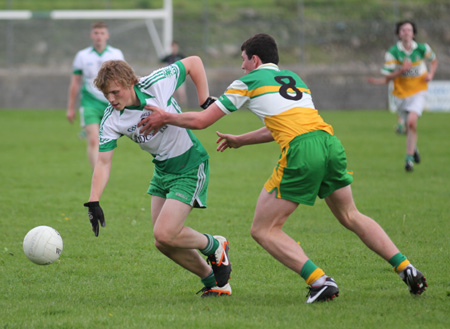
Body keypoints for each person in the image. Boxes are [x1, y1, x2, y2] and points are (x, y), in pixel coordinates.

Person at [138, 33, 428, 303]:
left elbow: (202, 121)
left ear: (254, 60)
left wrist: (165, 116)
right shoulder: (293, 78)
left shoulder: (248, 81)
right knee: (351, 215)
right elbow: (282, 124)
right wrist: (240, 140)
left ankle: (319, 281)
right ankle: (406, 268)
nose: (241, 67)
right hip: (329, 142)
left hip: (303, 151)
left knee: (263, 229)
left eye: (243, 60)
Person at [83, 58, 231, 298]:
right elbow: (103, 161)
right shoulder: (111, 119)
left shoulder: (155, 84)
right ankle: (214, 281)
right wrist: (94, 200)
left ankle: (216, 246)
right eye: (106, 94)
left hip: (189, 165)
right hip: (162, 171)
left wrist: (204, 99)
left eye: (114, 92)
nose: (110, 99)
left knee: (165, 233)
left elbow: (194, 62)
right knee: (163, 242)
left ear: (130, 83)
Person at [367, 20, 438, 172]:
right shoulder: (393, 52)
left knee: (412, 123)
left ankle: (408, 161)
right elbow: (388, 77)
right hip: (400, 94)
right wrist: (401, 70)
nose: (406, 32)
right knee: (408, 127)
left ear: (413, 33)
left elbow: (433, 60)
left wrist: (431, 74)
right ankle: (414, 150)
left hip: (419, 90)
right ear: (399, 34)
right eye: (403, 30)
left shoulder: (422, 48)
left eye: (409, 30)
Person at [67, 21, 125, 170]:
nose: (99, 36)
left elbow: (124, 79)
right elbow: (75, 82)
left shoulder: (116, 54)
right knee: (93, 140)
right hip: (89, 103)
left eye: (102, 33)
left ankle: (103, 168)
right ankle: (97, 174)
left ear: (107, 35)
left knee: (108, 141)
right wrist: (70, 107)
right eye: (96, 33)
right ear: (91, 35)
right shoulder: (82, 55)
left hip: (111, 102)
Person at [161, 41, 188, 107]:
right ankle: (174, 107)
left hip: (179, 77)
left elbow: (187, 64)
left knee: (181, 94)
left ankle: (184, 107)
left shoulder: (180, 56)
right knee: (172, 94)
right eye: (172, 47)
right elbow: (161, 63)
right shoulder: (168, 57)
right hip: (171, 78)